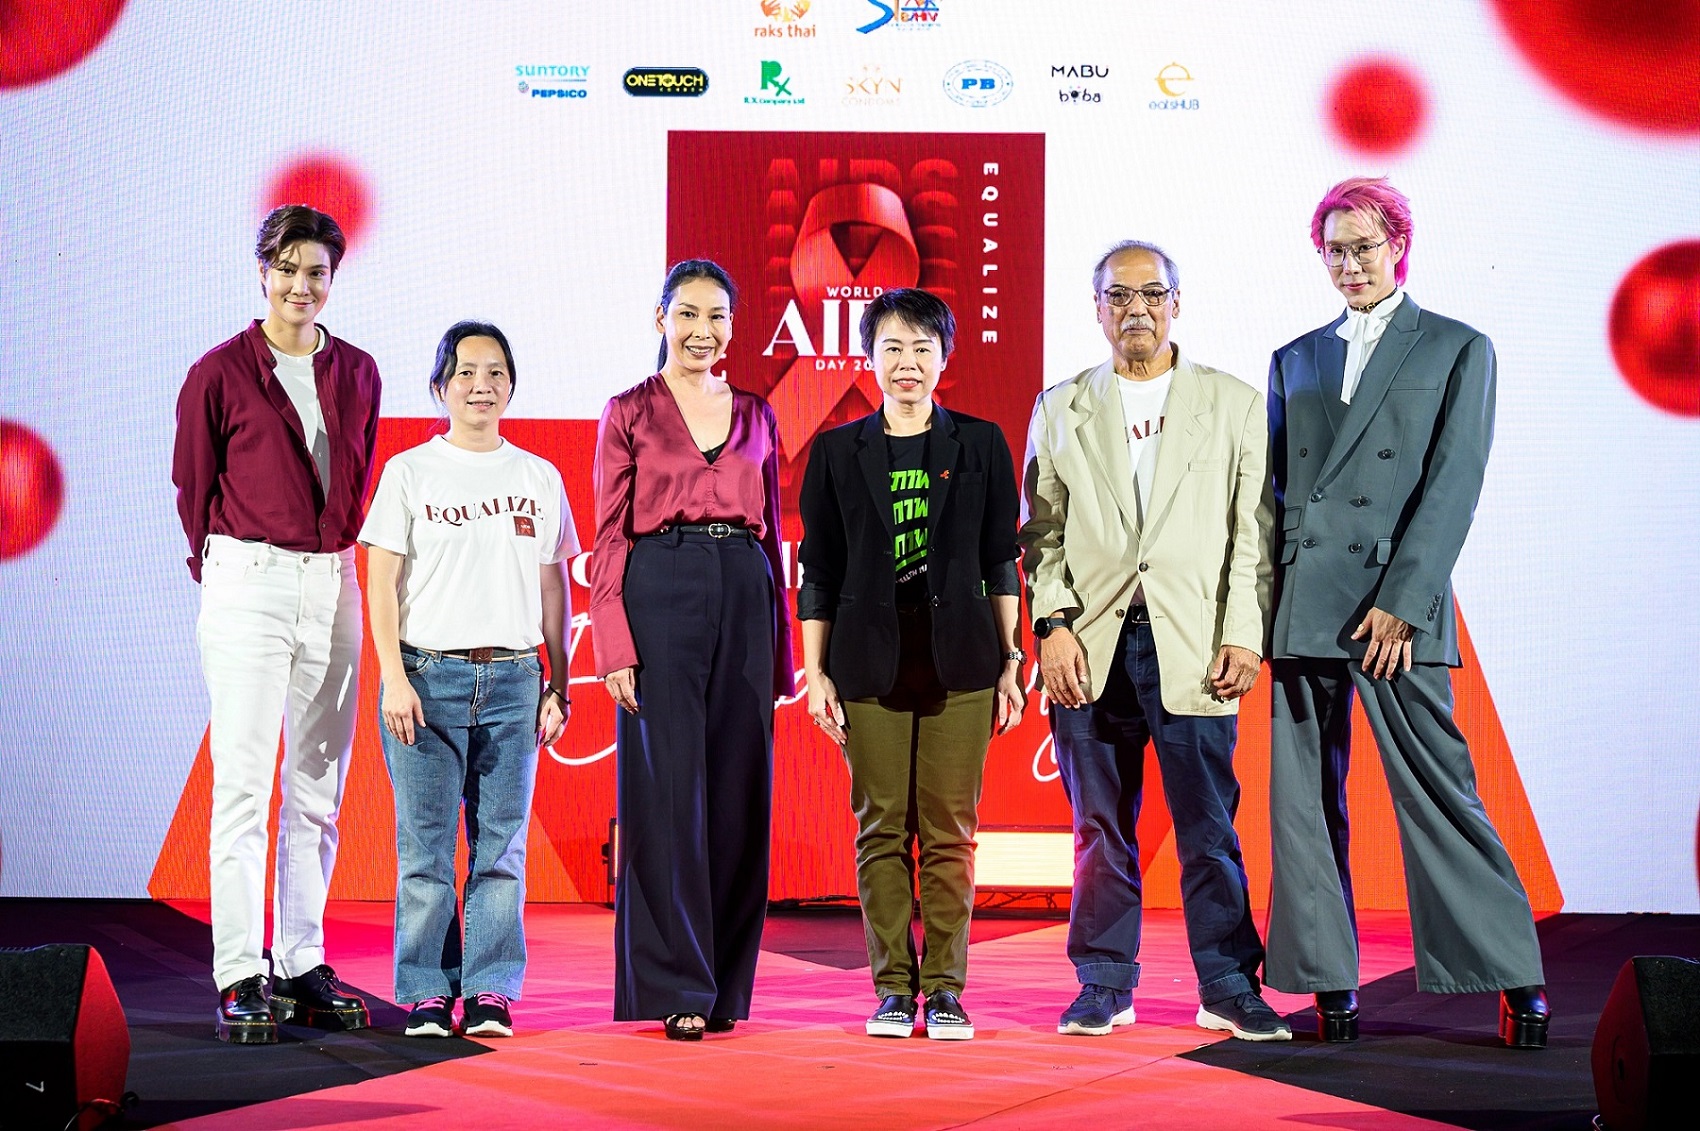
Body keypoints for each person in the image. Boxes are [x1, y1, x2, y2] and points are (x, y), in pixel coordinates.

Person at [1264, 176, 1549, 1048]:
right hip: (1304, 604)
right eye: (1335, 250)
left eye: (1364, 247)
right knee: (1303, 806)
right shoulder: (1294, 356)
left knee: (1439, 790)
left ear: (1398, 245)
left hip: (1395, 606)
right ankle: (1328, 981)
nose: (1350, 264)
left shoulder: (1459, 347)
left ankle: (1513, 973)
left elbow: (1455, 484)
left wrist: (1403, 601)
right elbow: (1276, 496)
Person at [1019, 241, 1287, 1041]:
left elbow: (1254, 534)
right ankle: (1103, 981)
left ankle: (1229, 984)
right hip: (1089, 647)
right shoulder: (1060, 407)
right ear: (1097, 307)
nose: (1135, 308)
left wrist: (1244, 633)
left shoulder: (1233, 403)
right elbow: (1041, 534)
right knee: (1099, 827)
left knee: (1209, 826)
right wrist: (1053, 625)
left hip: (1196, 644)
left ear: (1176, 301)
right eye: (1118, 295)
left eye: (1151, 293)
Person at [172, 204, 380, 1043]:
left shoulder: (358, 370)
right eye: (287, 268)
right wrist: (225, 571)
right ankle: (238, 970)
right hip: (247, 577)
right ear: (263, 271)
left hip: (333, 579)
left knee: (318, 789)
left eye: (316, 271)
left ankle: (300, 959)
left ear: (333, 278)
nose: (301, 285)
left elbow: (357, 473)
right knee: (245, 784)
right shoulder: (218, 371)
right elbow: (193, 485)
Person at [797, 289, 1025, 1041]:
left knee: (952, 832)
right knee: (881, 830)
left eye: (923, 348)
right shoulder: (838, 451)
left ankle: (947, 989)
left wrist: (1010, 658)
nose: (908, 363)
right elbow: (819, 570)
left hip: (962, 661)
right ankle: (894, 988)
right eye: (892, 348)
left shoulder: (981, 444)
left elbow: (1000, 558)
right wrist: (816, 673)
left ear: (944, 357)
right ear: (869, 357)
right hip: (868, 663)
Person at [589, 259, 795, 1041]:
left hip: (743, 587)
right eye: (687, 314)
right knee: (668, 789)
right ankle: (678, 981)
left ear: (733, 327)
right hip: (659, 586)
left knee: (741, 791)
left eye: (716, 316)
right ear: (660, 319)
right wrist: (614, 641)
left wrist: (779, 649)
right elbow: (610, 533)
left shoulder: (757, 413)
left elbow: (772, 536)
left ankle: (726, 985)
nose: (701, 331)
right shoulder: (629, 411)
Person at [361, 322, 576, 1039]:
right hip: (427, 678)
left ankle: (489, 990)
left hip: (515, 680)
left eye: (495, 373)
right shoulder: (409, 471)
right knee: (425, 850)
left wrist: (559, 682)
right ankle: (427, 990)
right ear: (440, 386)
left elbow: (554, 588)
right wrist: (394, 677)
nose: (481, 385)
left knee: (501, 848)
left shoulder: (538, 477)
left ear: (511, 386)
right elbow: (381, 581)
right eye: (465, 372)